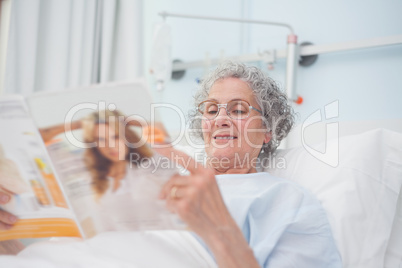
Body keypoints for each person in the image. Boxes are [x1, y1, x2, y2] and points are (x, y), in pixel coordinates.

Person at [0, 62, 342, 267]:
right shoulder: (156, 174)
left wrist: (216, 225)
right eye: (211, 110)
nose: (220, 119)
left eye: (238, 110)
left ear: (268, 130)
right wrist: (9, 233)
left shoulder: (289, 202)